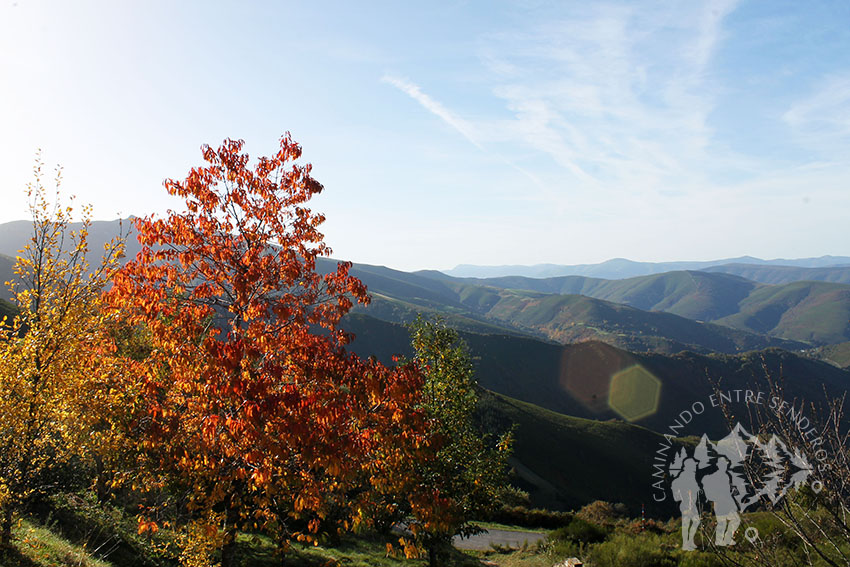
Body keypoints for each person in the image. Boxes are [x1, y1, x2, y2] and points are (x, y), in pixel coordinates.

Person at [702, 456, 741, 546]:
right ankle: (722, 541)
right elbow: (721, 491)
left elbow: (728, 488)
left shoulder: (726, 475)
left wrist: (733, 490)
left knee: (731, 521)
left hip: (724, 503)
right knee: (724, 522)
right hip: (720, 504)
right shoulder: (717, 476)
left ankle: (724, 540)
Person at [671, 457, 700, 550]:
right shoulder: (685, 477)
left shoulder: (689, 476)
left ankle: (688, 542)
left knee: (692, 522)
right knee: (688, 522)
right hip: (686, 504)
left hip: (690, 504)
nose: (695, 467)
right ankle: (686, 543)